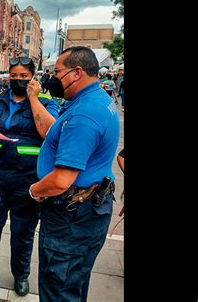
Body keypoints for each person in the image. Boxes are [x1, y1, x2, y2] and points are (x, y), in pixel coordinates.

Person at [28, 46, 120, 301]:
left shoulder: (83, 115)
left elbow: (61, 180)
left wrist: (34, 191)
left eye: (57, 72)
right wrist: (34, 99)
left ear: (77, 72)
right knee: (74, 283)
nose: (53, 78)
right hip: (88, 211)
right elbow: (54, 131)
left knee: (59, 287)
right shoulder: (94, 100)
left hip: (70, 219)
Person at [0, 56, 61, 296]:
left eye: (24, 76)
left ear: (33, 77)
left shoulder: (46, 101)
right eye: (14, 76)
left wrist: (33, 98)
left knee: (23, 231)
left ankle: (21, 274)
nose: (18, 81)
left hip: (28, 177)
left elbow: (49, 132)